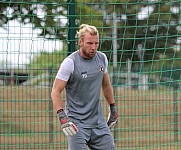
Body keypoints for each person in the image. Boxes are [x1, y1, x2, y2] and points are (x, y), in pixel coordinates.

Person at [51, 24, 118, 150]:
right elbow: (55, 91)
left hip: (98, 122)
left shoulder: (102, 58)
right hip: (77, 124)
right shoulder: (70, 63)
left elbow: (106, 85)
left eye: (96, 43)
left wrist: (113, 108)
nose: (94, 47)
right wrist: (62, 117)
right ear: (80, 42)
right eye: (89, 43)